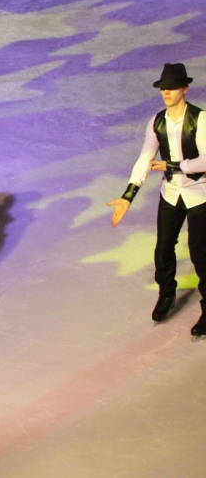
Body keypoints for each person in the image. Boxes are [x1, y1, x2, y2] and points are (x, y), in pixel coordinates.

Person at [107, 63, 206, 338]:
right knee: (163, 249)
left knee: (200, 254)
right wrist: (128, 195)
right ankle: (166, 293)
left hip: (200, 195)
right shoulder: (156, 121)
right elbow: (145, 158)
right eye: (163, 88)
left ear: (185, 89)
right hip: (171, 194)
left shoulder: (200, 120)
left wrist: (173, 166)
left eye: (172, 87)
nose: (166, 92)